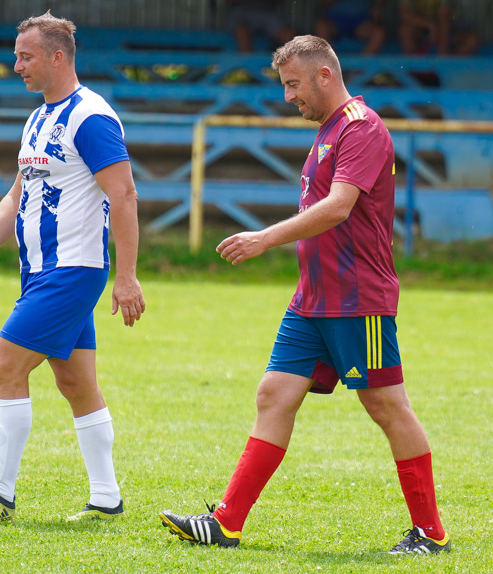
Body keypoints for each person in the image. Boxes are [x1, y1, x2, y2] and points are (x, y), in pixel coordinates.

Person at [159, 35, 450, 555]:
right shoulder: (329, 131)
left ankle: (430, 533)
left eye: (294, 84)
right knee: (273, 394)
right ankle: (225, 522)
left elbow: (339, 207)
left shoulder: (362, 129)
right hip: (312, 300)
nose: (289, 96)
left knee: (386, 406)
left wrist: (264, 237)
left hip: (356, 298)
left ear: (323, 75)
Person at [0, 11, 146, 523]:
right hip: (40, 271)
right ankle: (106, 499)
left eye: (25, 56)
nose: (16, 65)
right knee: (77, 383)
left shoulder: (91, 117)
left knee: (5, 364)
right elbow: (18, 194)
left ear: (57, 57)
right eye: (17, 55)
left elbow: (123, 194)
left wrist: (126, 277)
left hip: (73, 270)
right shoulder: (38, 118)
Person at [399, 0, 478, 56]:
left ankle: (448, 67)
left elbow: (445, 18)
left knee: (471, 41)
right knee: (406, 31)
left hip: (448, 30)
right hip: (422, 29)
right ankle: (412, 68)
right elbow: (405, 15)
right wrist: (431, 26)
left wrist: (442, 53)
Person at [314, 0, 387, 55]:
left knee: (379, 33)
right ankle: (331, 62)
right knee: (321, 26)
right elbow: (323, 3)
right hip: (335, 19)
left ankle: (360, 67)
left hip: (361, 21)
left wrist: (378, 9)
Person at [225, 0, 295, 53]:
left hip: (268, 12)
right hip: (242, 12)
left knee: (289, 37)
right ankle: (248, 66)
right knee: (242, 34)